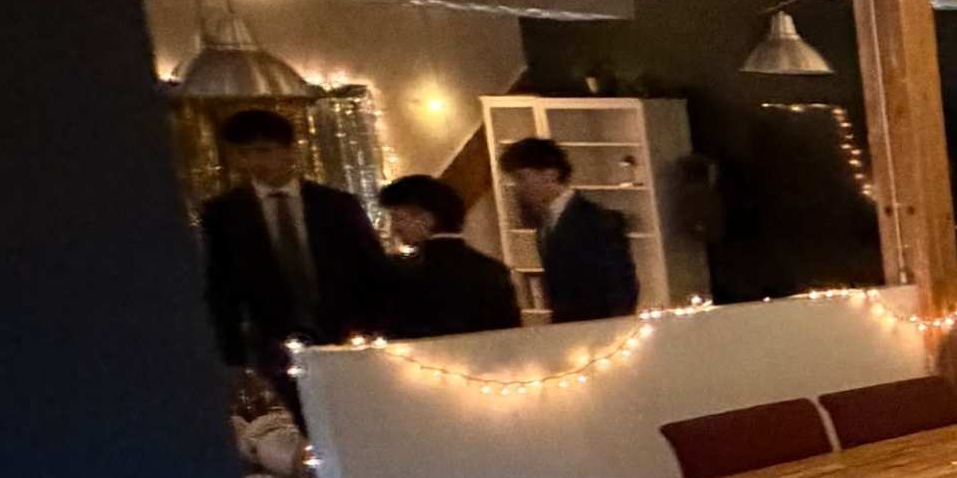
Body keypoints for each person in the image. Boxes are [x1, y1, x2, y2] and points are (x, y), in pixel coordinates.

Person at [199, 107, 390, 376]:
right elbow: (221, 288)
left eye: (264, 150)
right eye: (244, 153)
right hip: (273, 344)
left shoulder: (336, 205)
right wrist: (234, 357)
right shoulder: (224, 213)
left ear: (290, 150)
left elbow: (373, 269)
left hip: (348, 336)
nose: (254, 161)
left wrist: (375, 327)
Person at [499, 134, 638, 323]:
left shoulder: (597, 220)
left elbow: (622, 288)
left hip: (598, 332)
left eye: (521, 178)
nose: (518, 187)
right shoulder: (544, 226)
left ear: (551, 174)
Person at [373, 174, 524, 337]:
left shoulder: (403, 274)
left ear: (425, 219)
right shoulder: (493, 270)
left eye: (398, 218)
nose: (394, 228)